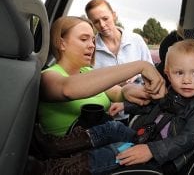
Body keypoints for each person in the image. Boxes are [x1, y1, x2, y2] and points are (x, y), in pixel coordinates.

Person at [35, 38, 194, 175]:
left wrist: (152, 150)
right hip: (147, 137)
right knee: (113, 127)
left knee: (118, 150)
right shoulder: (171, 92)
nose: (186, 80)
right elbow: (151, 108)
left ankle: (55, 169)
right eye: (179, 73)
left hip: (163, 159)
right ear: (168, 74)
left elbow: (189, 138)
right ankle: (54, 147)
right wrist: (125, 106)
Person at [35, 16, 166, 159]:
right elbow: (68, 89)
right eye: (84, 39)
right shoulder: (47, 76)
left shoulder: (89, 73)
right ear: (62, 43)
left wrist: (131, 90)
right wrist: (140, 66)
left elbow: (118, 92)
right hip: (70, 158)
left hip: (102, 148)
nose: (92, 45)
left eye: (92, 40)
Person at [85, 0, 154, 121]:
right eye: (96, 21)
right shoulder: (90, 49)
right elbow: (90, 84)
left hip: (139, 112)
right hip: (109, 116)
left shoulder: (136, 40)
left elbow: (151, 73)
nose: (102, 25)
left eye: (105, 18)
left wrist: (136, 77)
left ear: (114, 15)